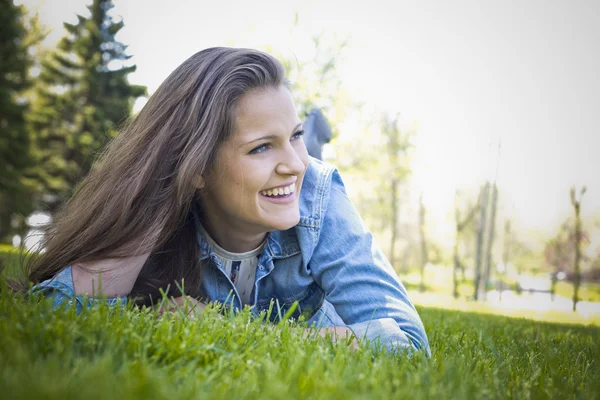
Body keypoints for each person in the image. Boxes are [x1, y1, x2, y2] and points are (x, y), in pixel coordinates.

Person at [20, 47, 429, 354]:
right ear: (196, 167)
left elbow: (408, 344)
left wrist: (231, 329)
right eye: (261, 148)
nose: (295, 164)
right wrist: (153, 206)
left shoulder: (319, 193)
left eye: (296, 135)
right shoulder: (171, 201)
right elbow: (55, 312)